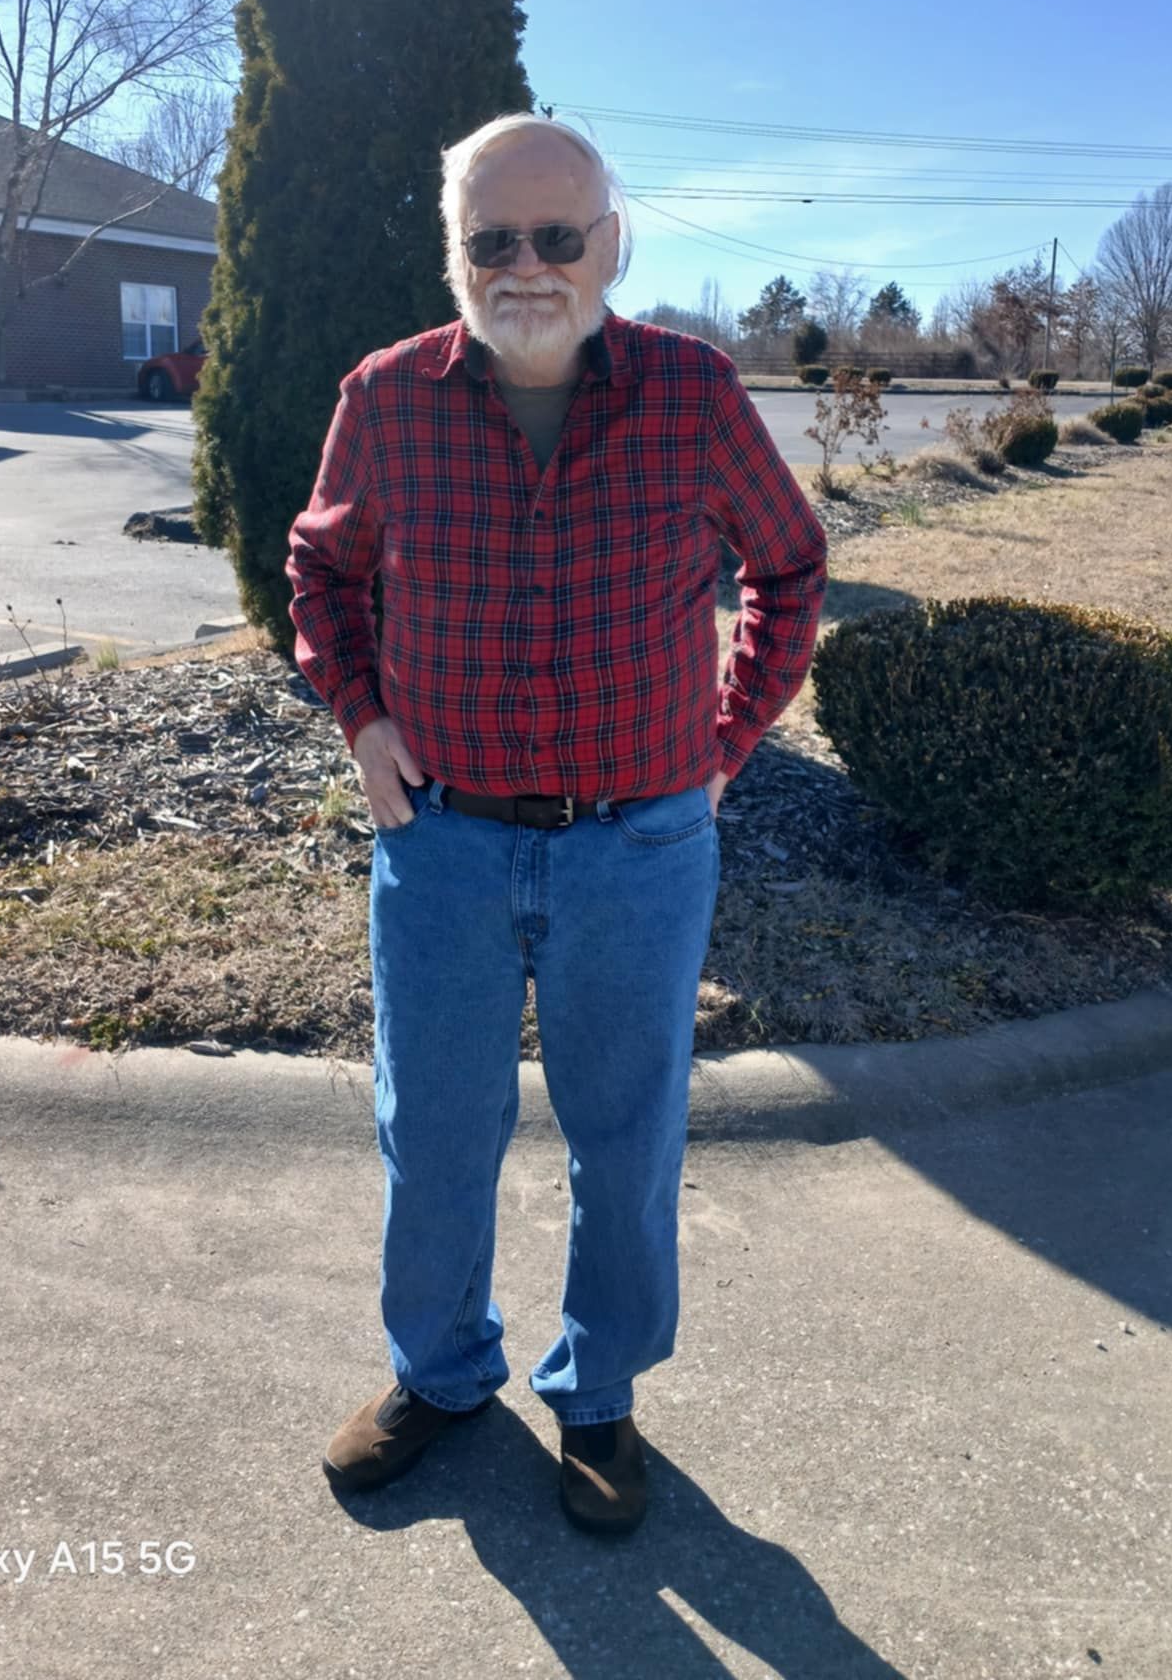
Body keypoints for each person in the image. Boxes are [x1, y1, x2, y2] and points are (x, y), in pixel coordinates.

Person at [285, 114, 829, 1536]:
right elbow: (320, 569)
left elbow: (789, 565)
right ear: (455, 253)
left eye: (557, 235)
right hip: (444, 843)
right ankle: (440, 1372)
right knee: (432, 1129)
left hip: (640, 846)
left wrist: (725, 742)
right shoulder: (386, 399)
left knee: (626, 1136)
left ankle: (599, 1396)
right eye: (492, 239)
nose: (526, 265)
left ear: (611, 241)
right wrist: (362, 719)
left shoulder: (694, 394)